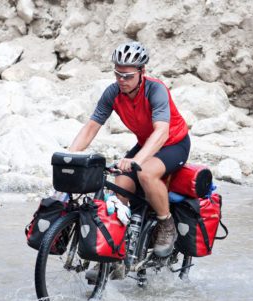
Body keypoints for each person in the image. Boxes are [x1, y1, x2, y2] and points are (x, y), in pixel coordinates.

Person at [68, 41, 190, 258]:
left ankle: (166, 224)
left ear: (142, 71)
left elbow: (161, 132)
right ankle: (113, 257)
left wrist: (138, 160)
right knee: (120, 187)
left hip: (174, 144)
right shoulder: (112, 93)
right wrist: (69, 156)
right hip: (146, 143)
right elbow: (91, 128)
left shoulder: (156, 90)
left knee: (146, 173)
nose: (122, 80)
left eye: (128, 76)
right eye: (118, 74)